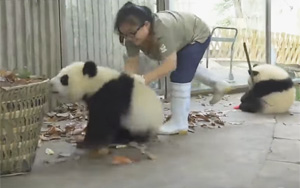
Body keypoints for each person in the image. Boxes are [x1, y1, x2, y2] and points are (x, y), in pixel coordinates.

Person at [114, 1, 231, 135]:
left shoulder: (162, 29)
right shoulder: (131, 37)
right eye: (124, 34)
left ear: (146, 25)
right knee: (186, 66)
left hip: (196, 35)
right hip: (181, 36)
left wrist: (144, 79)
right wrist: (128, 83)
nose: (129, 38)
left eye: (132, 33)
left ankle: (179, 123)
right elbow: (132, 63)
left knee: (179, 75)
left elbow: (170, 64)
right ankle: (217, 82)